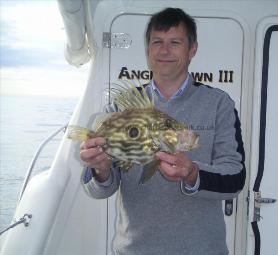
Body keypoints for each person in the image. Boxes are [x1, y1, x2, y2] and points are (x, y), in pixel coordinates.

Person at [80, 7, 245, 255]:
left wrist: (192, 173)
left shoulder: (219, 104)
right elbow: (99, 188)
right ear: (148, 50)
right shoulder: (121, 105)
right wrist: (100, 170)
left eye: (175, 42)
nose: (165, 50)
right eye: (157, 42)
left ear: (192, 50)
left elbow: (235, 178)